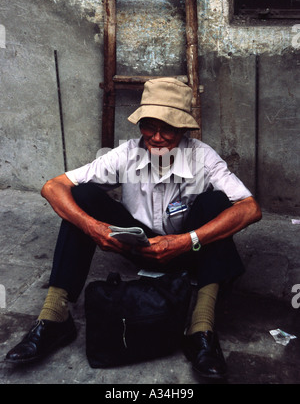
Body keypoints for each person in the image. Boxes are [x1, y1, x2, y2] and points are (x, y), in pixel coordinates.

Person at [6, 77, 261, 379]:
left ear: (183, 130)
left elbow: (250, 208)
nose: (156, 137)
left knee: (218, 204)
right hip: (140, 246)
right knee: (81, 197)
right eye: (148, 126)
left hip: (189, 250)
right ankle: (54, 317)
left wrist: (186, 240)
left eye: (167, 128)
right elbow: (52, 187)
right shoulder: (126, 153)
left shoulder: (202, 156)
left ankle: (201, 329)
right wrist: (94, 227)